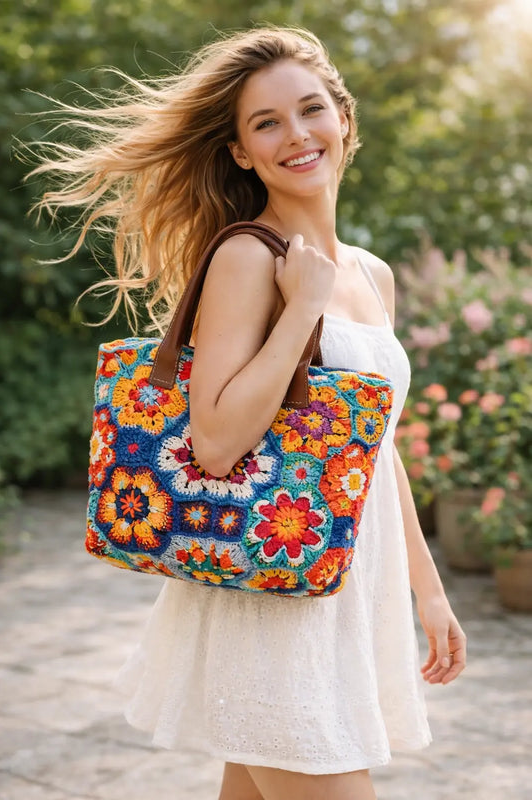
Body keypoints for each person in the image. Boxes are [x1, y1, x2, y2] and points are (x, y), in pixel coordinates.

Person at [30, 25, 467, 800]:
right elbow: (218, 440)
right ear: (239, 151)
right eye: (266, 123)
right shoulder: (245, 260)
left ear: (344, 119)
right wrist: (299, 310)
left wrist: (427, 594)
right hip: (270, 606)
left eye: (309, 110)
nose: (295, 135)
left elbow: (377, 446)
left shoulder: (370, 273)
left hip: (341, 593)